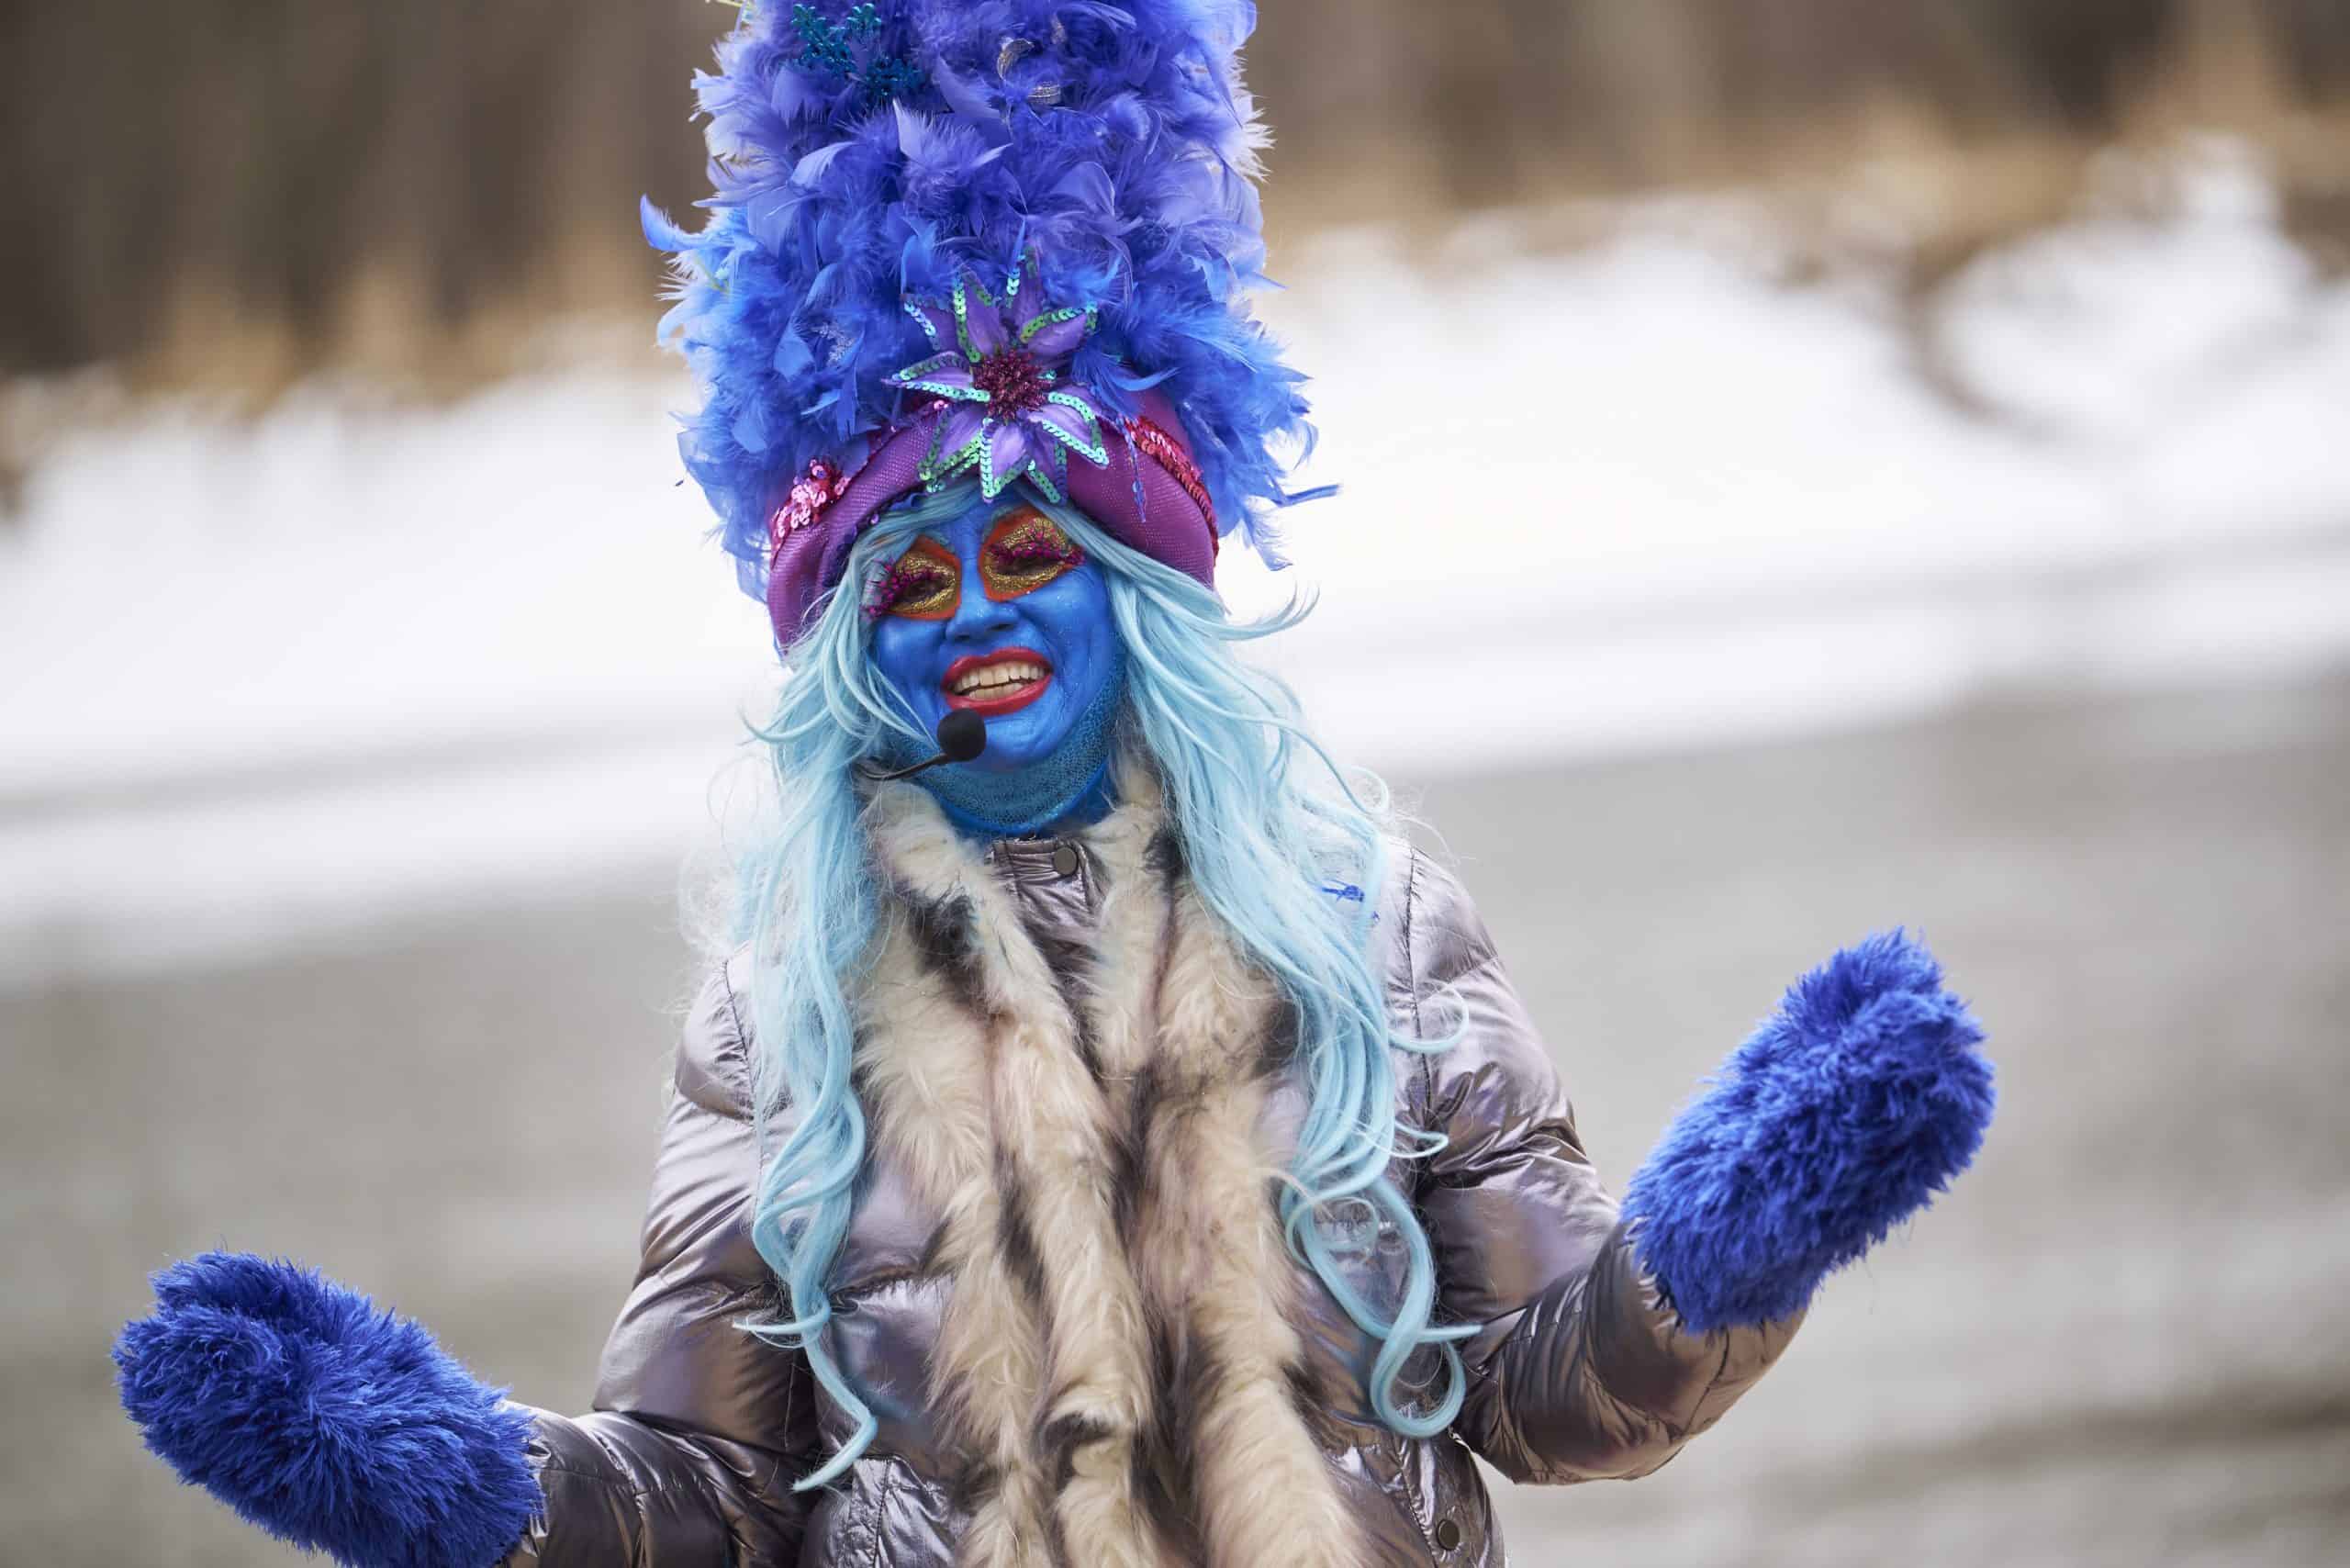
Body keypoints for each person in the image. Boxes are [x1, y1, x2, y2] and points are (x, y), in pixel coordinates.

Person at [114, 6, 1996, 1566]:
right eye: (911, 584)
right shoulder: (783, 1003)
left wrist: (1717, 1249)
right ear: (850, 649)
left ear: (1132, 586)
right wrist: (460, 1480)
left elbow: (1543, 1393)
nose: (975, 615)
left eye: (1029, 553)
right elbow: (703, 1493)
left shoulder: (1365, 913)